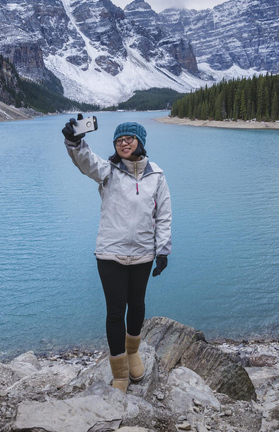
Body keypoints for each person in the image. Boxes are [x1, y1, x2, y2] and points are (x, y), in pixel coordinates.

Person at [62, 116, 172, 393]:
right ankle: (119, 372)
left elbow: (164, 215)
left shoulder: (157, 175)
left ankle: (133, 352)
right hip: (110, 253)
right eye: (119, 140)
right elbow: (85, 161)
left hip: (143, 254)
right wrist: (75, 142)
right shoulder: (108, 170)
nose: (124, 143)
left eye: (129, 138)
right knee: (115, 311)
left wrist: (163, 250)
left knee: (136, 305)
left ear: (140, 142)